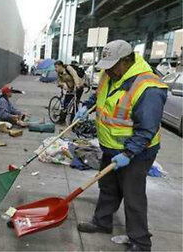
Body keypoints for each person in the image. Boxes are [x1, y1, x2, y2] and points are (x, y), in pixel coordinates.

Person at [74, 40, 168, 251]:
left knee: (133, 196)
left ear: (127, 60)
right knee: (107, 187)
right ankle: (102, 222)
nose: (109, 70)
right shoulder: (110, 74)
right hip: (110, 147)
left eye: (114, 65)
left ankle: (141, 242)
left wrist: (128, 152)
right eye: (106, 66)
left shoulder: (148, 87)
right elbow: (99, 96)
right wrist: (86, 107)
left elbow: (147, 130)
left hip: (137, 153)